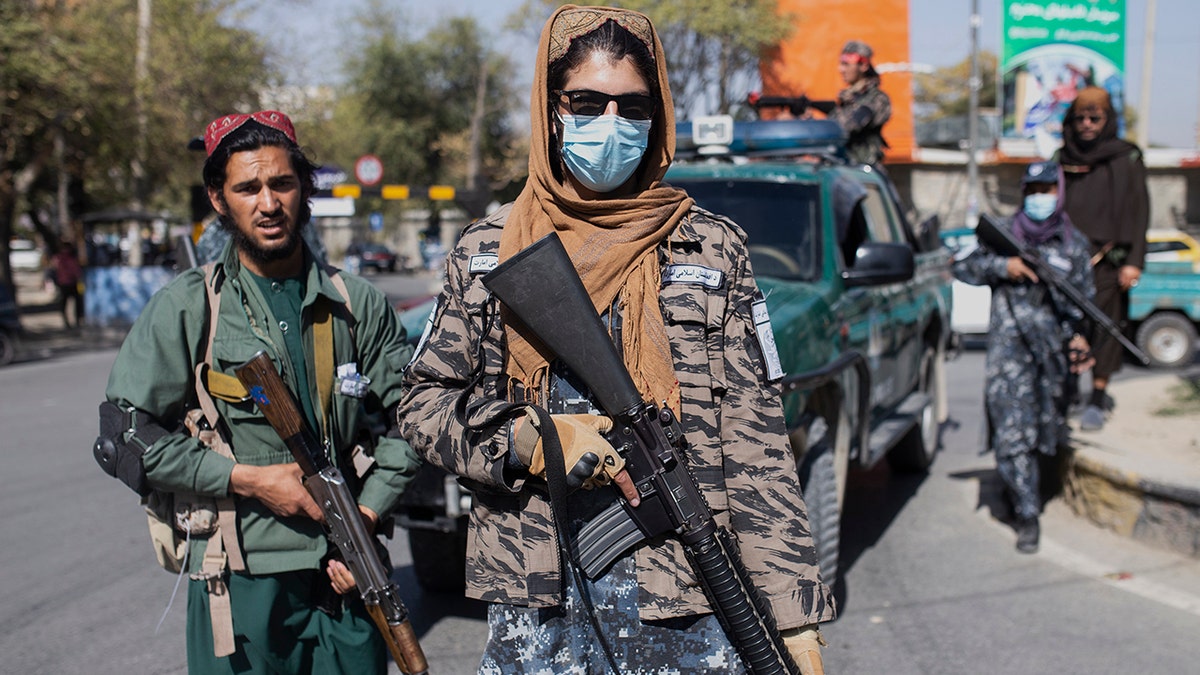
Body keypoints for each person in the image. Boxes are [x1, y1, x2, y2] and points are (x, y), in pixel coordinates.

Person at [397, 5, 834, 674]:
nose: (611, 123)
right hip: (539, 609)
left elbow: (759, 443)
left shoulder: (711, 249)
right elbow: (422, 405)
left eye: (633, 107)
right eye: (587, 102)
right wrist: (526, 440)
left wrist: (795, 612)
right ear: (552, 109)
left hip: (686, 597)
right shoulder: (488, 253)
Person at [100, 110, 419, 673]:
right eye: (248, 188)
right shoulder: (189, 307)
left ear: (305, 189)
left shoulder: (357, 304)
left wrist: (367, 515)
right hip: (239, 581)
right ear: (219, 201)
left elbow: (415, 421)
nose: (268, 203)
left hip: (346, 575)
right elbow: (124, 437)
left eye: (282, 184)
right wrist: (245, 479)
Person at [953, 161, 1096, 553]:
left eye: (1047, 189)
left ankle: (1028, 490)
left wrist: (1082, 339)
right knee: (1012, 431)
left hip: (1051, 357)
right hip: (1009, 354)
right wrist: (1004, 265)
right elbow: (963, 266)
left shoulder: (1073, 244)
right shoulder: (1004, 235)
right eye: (1033, 189)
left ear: (1059, 191)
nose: (1039, 197)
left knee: (1045, 433)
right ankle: (1027, 514)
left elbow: (1086, 302)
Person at [1056, 86, 1149, 431]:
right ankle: (1067, 395)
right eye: (1080, 117)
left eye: (1095, 117)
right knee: (1066, 329)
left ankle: (1097, 398)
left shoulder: (1127, 157)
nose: (1087, 124)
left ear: (1107, 120)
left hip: (1108, 261)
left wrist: (1134, 261)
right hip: (1066, 262)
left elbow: (1140, 210)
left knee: (1106, 329)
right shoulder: (1062, 157)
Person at [819, 40, 892, 166]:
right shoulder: (846, 100)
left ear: (863, 66)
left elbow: (850, 125)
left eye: (846, 64)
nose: (841, 69)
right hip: (840, 169)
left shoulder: (877, 99)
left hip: (864, 173)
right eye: (841, 64)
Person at [50, 241, 84, 328]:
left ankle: (68, 321)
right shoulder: (69, 258)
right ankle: (73, 321)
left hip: (64, 283)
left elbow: (53, 269)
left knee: (66, 303)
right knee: (74, 302)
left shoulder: (58, 258)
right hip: (70, 283)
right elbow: (76, 271)